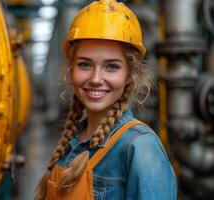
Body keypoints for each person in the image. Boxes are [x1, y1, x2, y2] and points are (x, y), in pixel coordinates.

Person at [35, 0, 177, 199]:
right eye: (85, 64)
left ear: (130, 75)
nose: (95, 79)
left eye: (111, 67)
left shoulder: (140, 148)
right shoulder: (73, 140)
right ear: (71, 70)